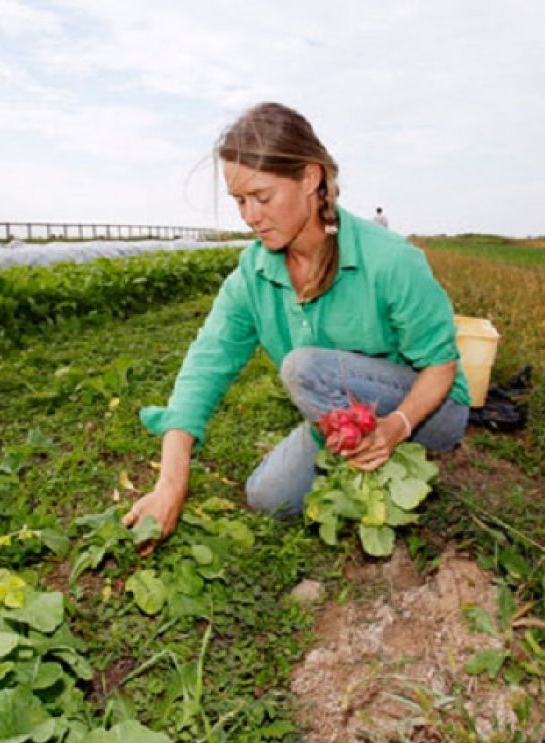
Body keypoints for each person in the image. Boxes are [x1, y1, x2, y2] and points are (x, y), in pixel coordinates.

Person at [123, 102, 470, 551]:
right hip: (342, 407)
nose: (249, 216)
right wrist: (171, 483)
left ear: (310, 178)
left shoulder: (390, 260)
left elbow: (441, 365)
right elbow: (204, 368)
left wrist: (397, 426)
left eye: (262, 197)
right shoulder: (254, 274)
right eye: (239, 200)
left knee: (305, 369)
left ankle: (385, 452)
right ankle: (356, 449)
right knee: (267, 497)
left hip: (430, 410)